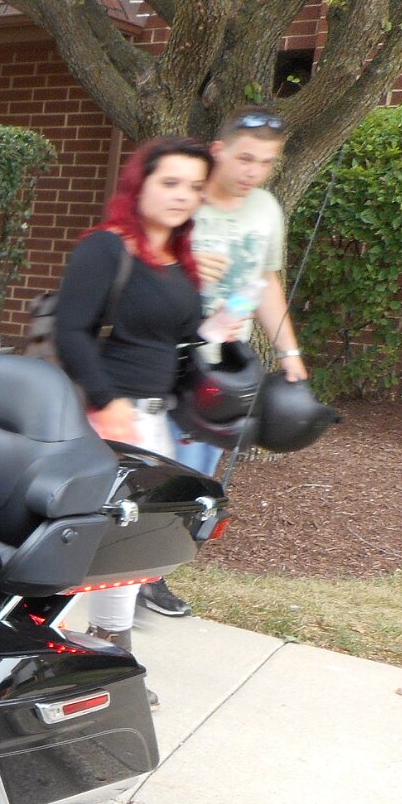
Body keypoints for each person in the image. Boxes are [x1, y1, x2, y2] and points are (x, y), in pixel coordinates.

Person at [54, 136, 215, 698]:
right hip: (102, 420)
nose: (182, 195)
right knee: (84, 544)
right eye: (169, 182)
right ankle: (51, 653)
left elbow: (181, 340)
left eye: (194, 186)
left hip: (151, 422)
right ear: (139, 184)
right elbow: (70, 331)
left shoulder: (180, 261)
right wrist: (107, 402)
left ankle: (109, 656)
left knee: (128, 544)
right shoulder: (106, 248)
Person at [143, 106, 308, 619]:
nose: (254, 172)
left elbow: (265, 282)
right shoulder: (183, 198)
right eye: (245, 158)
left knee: (193, 475)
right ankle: (119, 574)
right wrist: (187, 263)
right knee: (148, 466)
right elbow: (133, 268)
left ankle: (151, 573)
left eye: (266, 163)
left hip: (222, 366)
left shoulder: (266, 209)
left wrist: (290, 353)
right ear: (219, 151)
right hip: (163, 357)